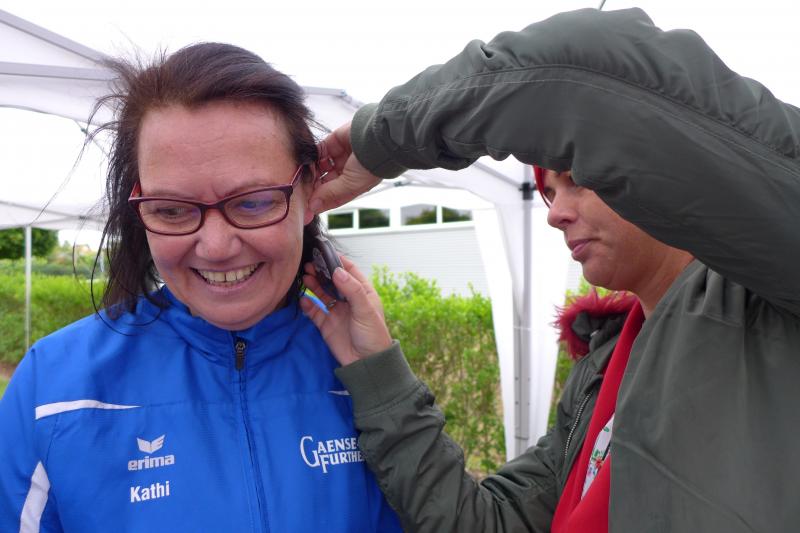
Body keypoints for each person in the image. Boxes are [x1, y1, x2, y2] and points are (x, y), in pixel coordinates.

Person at [299, 7, 800, 533]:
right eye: (548, 192)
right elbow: (490, 523)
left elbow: (584, 78)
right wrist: (378, 370)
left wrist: (386, 139)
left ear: (645, 175)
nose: (555, 214)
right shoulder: (603, 366)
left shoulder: (770, 296)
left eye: (576, 179)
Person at [0, 43, 401, 532]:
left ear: (310, 190)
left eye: (253, 202)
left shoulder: (369, 372)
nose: (215, 247)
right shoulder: (55, 389)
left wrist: (384, 386)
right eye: (172, 209)